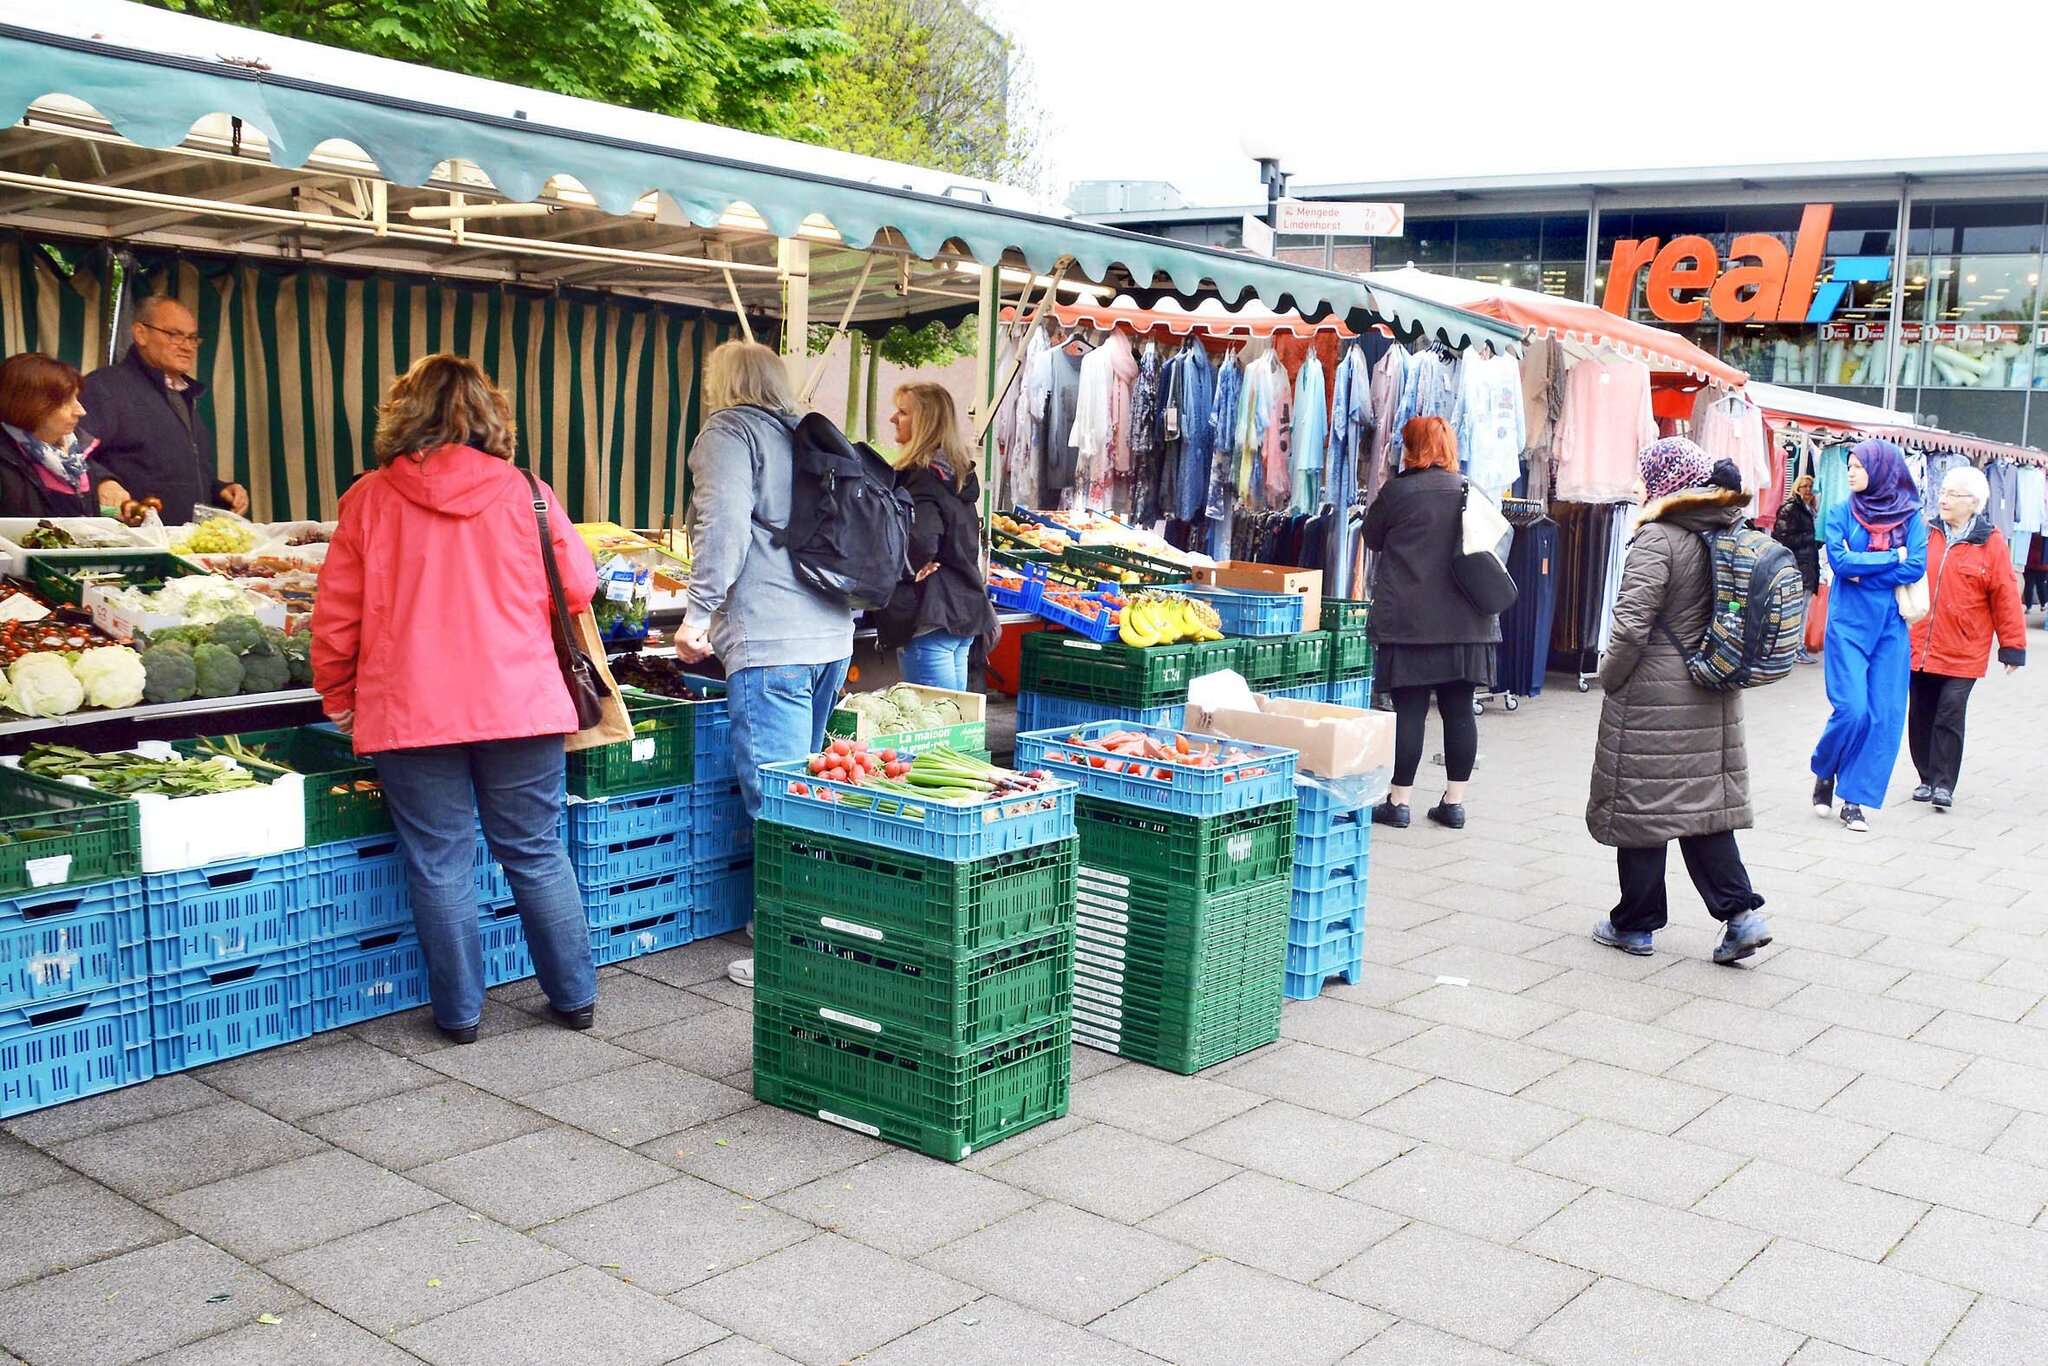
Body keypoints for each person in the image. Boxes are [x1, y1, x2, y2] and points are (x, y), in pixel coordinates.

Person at [311, 354, 600, 1045]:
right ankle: (575, 998)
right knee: (534, 849)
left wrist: (337, 693)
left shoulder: (368, 499)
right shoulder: (527, 492)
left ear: (403, 413)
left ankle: (460, 1015)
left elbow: (336, 615)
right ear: (489, 412)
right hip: (520, 700)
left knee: (439, 860)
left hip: (410, 706)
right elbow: (580, 587)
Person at [676, 341, 855, 988]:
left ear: (719, 382)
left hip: (773, 643)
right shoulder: (805, 433)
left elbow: (719, 527)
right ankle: (800, 915)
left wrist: (698, 614)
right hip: (831, 637)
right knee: (804, 790)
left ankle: (795, 947)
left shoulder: (727, 432)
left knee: (779, 801)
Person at [1588, 440, 1769, 962]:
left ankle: (1635, 924)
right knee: (1701, 809)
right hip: (1713, 686)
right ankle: (1740, 916)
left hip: (1654, 692)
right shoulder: (1727, 525)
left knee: (1644, 804)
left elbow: (1630, 625)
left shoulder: (1657, 538)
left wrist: (1610, 676)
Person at [1361, 415, 1500, 831]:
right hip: (1467, 621)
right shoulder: (1467, 489)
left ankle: (1398, 801)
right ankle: (1454, 803)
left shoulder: (1398, 492)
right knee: (1460, 710)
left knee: (1410, 711)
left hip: (1410, 622)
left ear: (1412, 448)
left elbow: (1372, 537)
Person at [1810, 439, 1927, 833]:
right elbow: (1839, 562)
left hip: (1892, 628)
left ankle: (1855, 800)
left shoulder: (1912, 517)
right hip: (1848, 625)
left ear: (1882, 470)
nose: (1851, 474)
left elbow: (1915, 568)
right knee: (1852, 709)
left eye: (1858, 467)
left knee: (1885, 716)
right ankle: (1826, 769)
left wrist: (1868, 571)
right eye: (1849, 468)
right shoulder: (1842, 512)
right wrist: (1890, 558)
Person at [1906, 465, 2026, 810]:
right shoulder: (1925, 532)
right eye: (1943, 492)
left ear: (1974, 502)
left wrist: (2012, 646)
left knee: (1950, 712)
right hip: (1921, 643)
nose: (1943, 498)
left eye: (1952, 494)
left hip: (1965, 648)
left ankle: (1944, 783)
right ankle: (1926, 778)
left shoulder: (1991, 543)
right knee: (1921, 713)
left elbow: (2005, 594)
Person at [79, 295, 248, 523]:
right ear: (141, 334)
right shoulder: (105, 387)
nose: (188, 346)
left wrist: (218, 490)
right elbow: (68, 451)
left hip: (183, 543)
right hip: (134, 544)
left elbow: (169, 472)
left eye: (192, 337)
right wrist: (102, 481)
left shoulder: (182, 394)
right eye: (175, 335)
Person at [879, 382, 997, 691]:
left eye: (903, 412)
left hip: (932, 614)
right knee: (954, 721)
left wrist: (904, 571)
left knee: (934, 727)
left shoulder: (923, 479)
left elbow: (921, 542)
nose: (893, 418)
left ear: (924, 423)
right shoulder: (957, 476)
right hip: (962, 610)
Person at [0, 353, 99, 517]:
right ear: (30, 406)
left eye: (76, 398)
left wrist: (115, 512)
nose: (81, 411)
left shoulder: (79, 453)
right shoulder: (6, 460)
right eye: (66, 402)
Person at [1774, 473, 1822, 663]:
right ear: (1797, 487)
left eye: (1811, 486)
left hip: (1808, 565)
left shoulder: (1812, 510)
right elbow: (1782, 537)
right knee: (1794, 609)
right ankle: (1791, 648)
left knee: (1803, 608)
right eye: (1804, 486)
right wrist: (1812, 538)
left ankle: (1797, 646)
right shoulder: (1791, 508)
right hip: (1797, 566)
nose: (1808, 490)